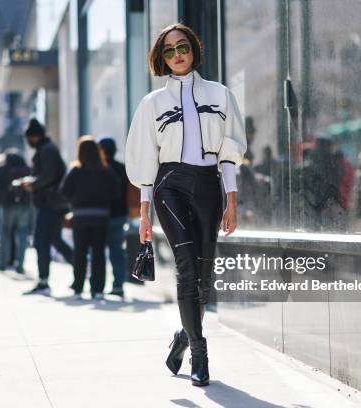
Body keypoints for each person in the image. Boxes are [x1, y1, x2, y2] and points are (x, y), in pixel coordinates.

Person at [125, 23, 246, 386]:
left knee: (205, 280)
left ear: (193, 49)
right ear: (161, 59)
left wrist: (232, 200)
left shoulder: (221, 94)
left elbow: (230, 152)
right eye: (168, 50)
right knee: (187, 269)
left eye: (182, 47)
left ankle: (182, 336)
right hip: (170, 186)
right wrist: (144, 214)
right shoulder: (152, 103)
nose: (177, 55)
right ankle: (200, 353)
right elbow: (146, 161)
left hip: (210, 185)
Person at [61, 136, 121, 300]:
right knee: (98, 253)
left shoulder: (76, 170)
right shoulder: (106, 170)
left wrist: (76, 200)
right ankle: (97, 289)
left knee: (80, 253)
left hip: (80, 217)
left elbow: (64, 192)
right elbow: (116, 192)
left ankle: (78, 287)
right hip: (101, 217)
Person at [22, 119, 74, 295]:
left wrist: (32, 184)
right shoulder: (46, 149)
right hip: (51, 203)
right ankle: (80, 268)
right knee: (54, 240)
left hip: (50, 203)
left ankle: (44, 281)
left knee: (41, 241)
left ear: (34, 137)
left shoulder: (47, 150)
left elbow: (47, 176)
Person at [97, 137, 130, 297]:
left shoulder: (99, 168)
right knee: (116, 251)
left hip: (101, 216)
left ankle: (98, 286)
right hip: (120, 215)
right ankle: (118, 285)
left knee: (98, 251)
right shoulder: (122, 168)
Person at [0, 149, 32, 274]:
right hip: (24, 205)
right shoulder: (26, 169)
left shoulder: (3, 169)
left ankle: (2, 263)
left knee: (4, 234)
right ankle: (19, 264)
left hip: (7, 205)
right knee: (22, 234)